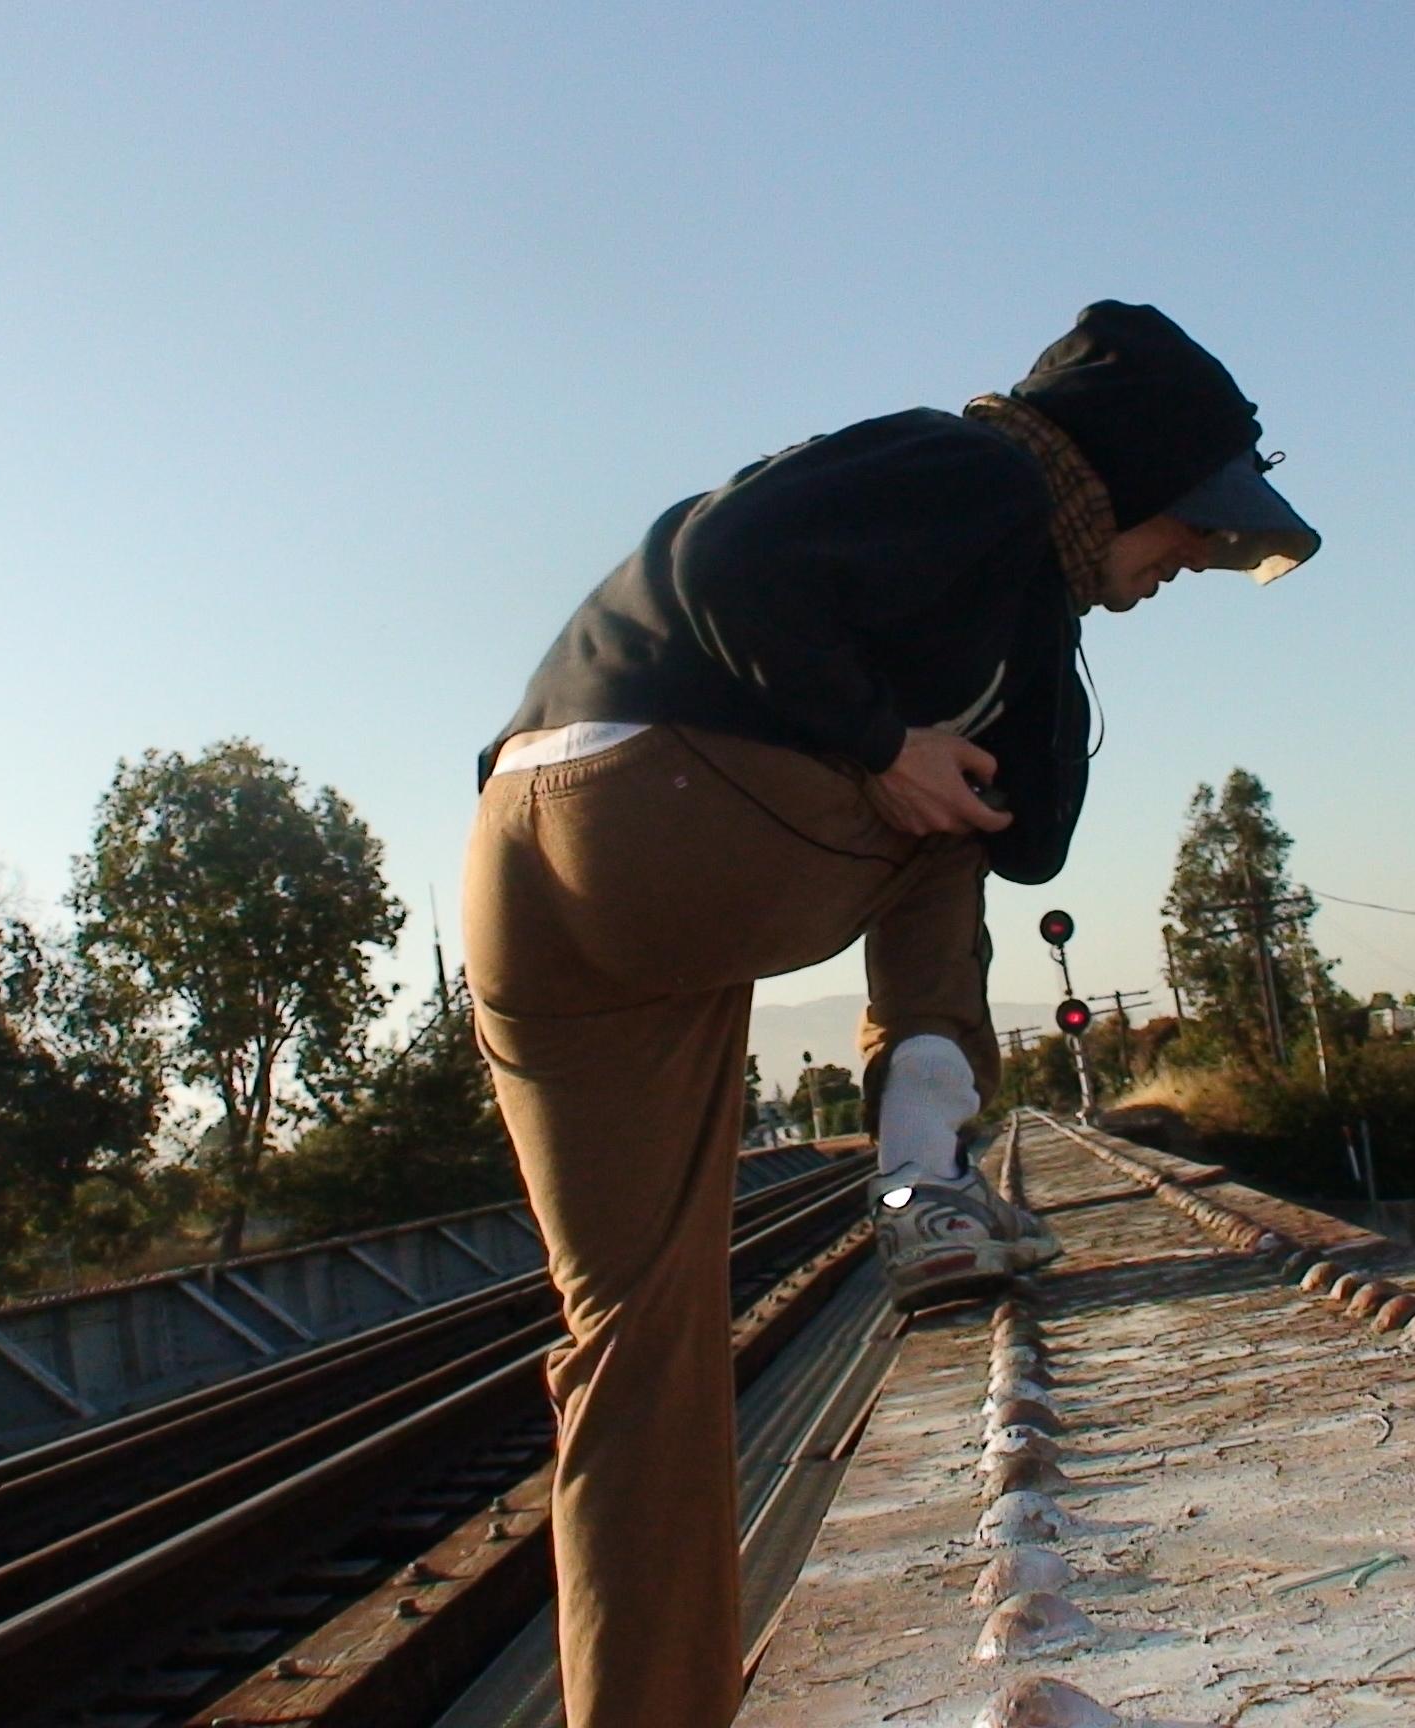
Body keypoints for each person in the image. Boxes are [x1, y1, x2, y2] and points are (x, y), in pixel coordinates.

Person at [462, 300, 1318, 1728]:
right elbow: (712, 558)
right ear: (1121, 475)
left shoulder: (996, 566)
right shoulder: (971, 468)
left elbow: (1037, 821)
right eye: (1192, 529)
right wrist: (881, 745)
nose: (1195, 562)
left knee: (637, 1344)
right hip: (659, 811)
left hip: (528, 864)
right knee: (943, 809)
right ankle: (926, 1179)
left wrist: (941, 711)